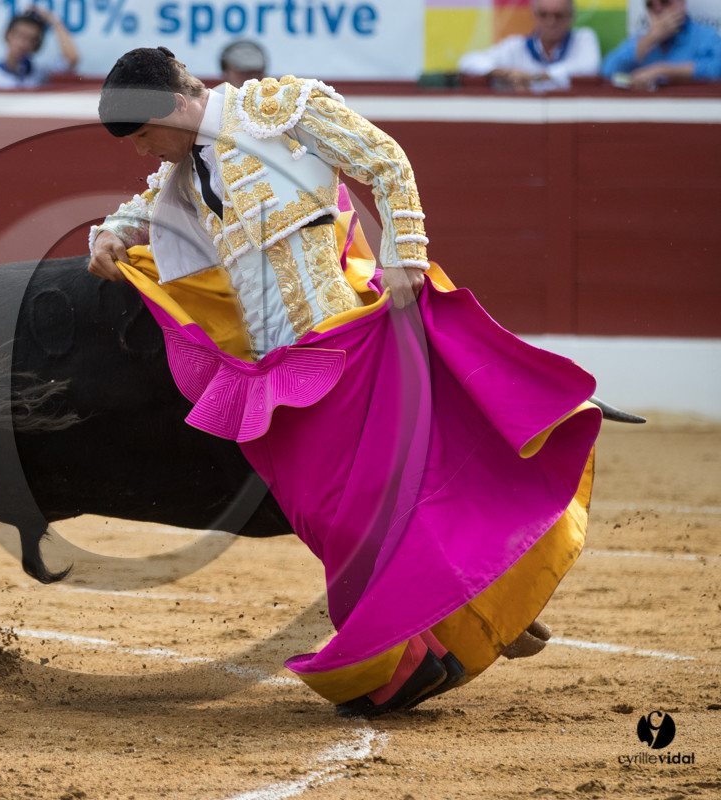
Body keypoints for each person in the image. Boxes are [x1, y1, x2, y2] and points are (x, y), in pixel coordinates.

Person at [89, 47, 601, 717]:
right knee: (327, 516)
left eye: (144, 137)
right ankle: (466, 620)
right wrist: (111, 231)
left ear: (175, 109)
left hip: (343, 343)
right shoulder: (186, 172)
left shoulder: (277, 111)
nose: (143, 154)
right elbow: (144, 206)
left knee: (369, 507)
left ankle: (420, 651)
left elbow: (383, 159)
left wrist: (404, 257)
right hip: (280, 370)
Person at [457, 0, 600, 92]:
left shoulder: (583, 39)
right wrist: (502, 72)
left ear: (571, 16)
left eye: (558, 15)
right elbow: (467, 61)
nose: (551, 21)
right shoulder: (516, 46)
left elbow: (588, 67)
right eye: (544, 15)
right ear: (534, 16)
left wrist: (532, 77)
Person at [601, 0, 721, 90]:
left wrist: (662, 71)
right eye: (650, 5)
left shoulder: (705, 36)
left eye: (664, 1)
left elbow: (716, 69)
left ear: (682, 3)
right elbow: (608, 70)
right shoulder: (642, 40)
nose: (658, 9)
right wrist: (652, 37)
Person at [0, 7, 78, 90]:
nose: (23, 43)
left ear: (37, 45)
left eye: (31, 39)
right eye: (19, 35)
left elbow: (71, 59)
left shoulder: (40, 73)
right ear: (7, 35)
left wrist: (54, 21)